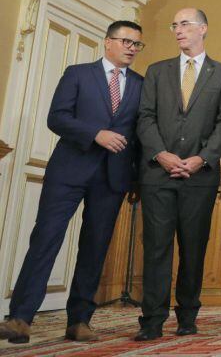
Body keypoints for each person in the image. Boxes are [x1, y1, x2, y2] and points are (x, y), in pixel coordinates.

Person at [0, 22, 144, 345]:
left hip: (113, 178)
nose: (132, 48)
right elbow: (57, 117)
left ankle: (79, 321)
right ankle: (20, 318)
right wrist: (95, 134)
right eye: (126, 41)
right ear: (108, 43)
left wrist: (136, 178)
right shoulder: (77, 74)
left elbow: (139, 136)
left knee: (94, 249)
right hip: (68, 171)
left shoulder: (140, 85)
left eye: (137, 44)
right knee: (46, 239)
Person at [135, 8, 221, 341]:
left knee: (193, 248)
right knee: (156, 249)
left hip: (199, 177)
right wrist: (160, 154)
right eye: (174, 25)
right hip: (157, 175)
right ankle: (151, 320)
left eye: (185, 24)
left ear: (203, 29)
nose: (178, 30)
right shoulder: (156, 71)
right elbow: (145, 118)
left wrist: (202, 158)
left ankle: (188, 314)